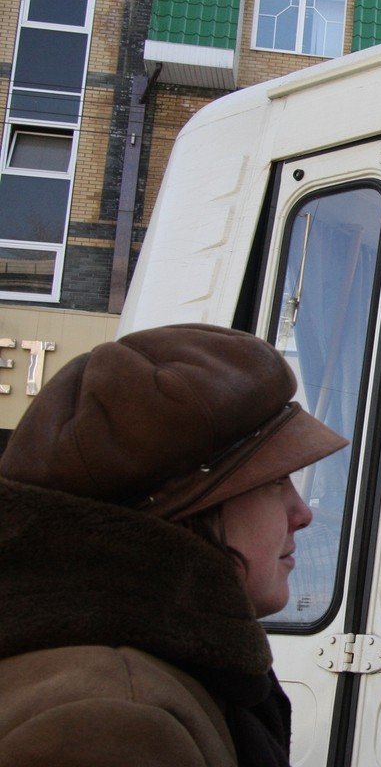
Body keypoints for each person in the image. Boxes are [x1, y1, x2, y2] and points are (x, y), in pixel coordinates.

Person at [0, 324, 349, 766]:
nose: (303, 514)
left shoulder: (134, 683)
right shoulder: (117, 722)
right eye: (275, 482)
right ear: (190, 508)